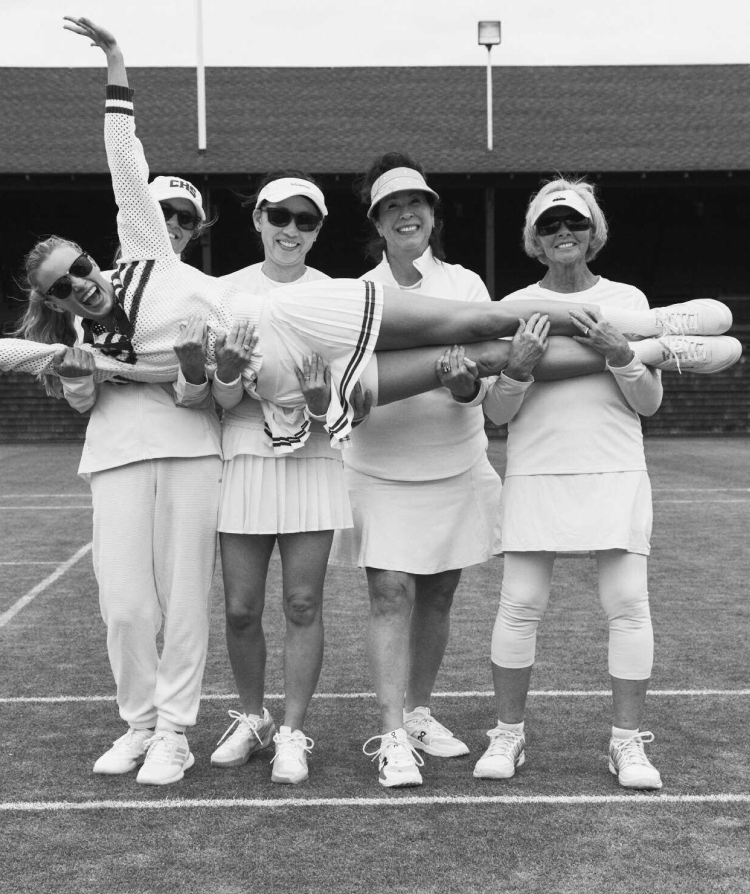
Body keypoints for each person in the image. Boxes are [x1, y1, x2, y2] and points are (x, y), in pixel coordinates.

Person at [2, 24, 739, 447]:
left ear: (95, 256)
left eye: (80, 265)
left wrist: (115, 65)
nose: (80, 283)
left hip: (298, 313)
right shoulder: (91, 351)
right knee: (489, 356)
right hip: (280, 373)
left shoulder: (143, 256)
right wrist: (118, 365)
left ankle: (651, 324)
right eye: (61, 286)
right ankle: (659, 352)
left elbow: (124, 165)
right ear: (52, 301)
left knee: (484, 319)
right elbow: (39, 358)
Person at [13, 176, 223, 787]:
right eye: (60, 285)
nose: (172, 224)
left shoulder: (199, 292)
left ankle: (174, 733)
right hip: (114, 458)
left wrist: (183, 372)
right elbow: (83, 401)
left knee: (184, 601)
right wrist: (82, 377)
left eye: (183, 216)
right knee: (125, 607)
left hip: (190, 451)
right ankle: (140, 724)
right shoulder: (88, 306)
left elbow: (205, 389)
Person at [474, 177, 680, 790]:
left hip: (615, 470)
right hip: (537, 472)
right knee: (519, 605)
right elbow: (496, 414)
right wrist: (517, 369)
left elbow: (649, 403)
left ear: (594, 233)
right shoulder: (514, 305)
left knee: (628, 606)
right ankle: (508, 733)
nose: (563, 232)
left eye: (575, 223)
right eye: (550, 225)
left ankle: (626, 743)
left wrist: (622, 352)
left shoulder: (628, 302)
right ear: (534, 239)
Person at [331, 154, 505, 787]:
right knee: (390, 593)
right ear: (378, 222)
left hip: (455, 464)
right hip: (379, 469)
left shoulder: (466, 286)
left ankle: (418, 711)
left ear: (432, 215)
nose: (406, 214)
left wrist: (464, 387)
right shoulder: (357, 295)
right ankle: (392, 735)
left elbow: (484, 386)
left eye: (416, 203)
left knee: (438, 593)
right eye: (392, 207)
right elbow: (350, 391)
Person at [205, 172, 357, 784]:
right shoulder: (224, 293)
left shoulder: (336, 296)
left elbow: (349, 397)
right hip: (244, 452)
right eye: (280, 216)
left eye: (305, 220)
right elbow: (220, 399)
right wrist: (227, 373)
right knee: (241, 609)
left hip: (313, 457)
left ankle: (292, 731)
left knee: (302, 602)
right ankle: (253, 718)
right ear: (258, 220)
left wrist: (320, 403)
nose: (291, 229)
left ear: (318, 231)